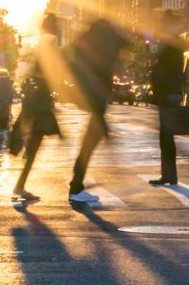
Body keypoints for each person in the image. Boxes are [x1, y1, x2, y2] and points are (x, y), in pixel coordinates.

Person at [67, 18, 127, 203]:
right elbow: (123, 46)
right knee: (90, 142)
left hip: (93, 96)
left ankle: (77, 184)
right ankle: (76, 186)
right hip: (96, 97)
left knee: (90, 140)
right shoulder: (102, 44)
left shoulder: (88, 41)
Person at [12, 14, 62, 201]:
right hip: (39, 104)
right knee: (34, 145)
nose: (57, 28)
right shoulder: (48, 46)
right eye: (55, 25)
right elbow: (48, 73)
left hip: (38, 102)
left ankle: (20, 185)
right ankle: (19, 186)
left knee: (33, 144)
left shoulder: (45, 44)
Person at [149, 44, 188, 185]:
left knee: (166, 137)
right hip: (172, 95)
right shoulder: (178, 58)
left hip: (166, 96)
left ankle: (169, 175)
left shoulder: (168, 58)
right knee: (167, 137)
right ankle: (170, 174)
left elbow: (159, 76)